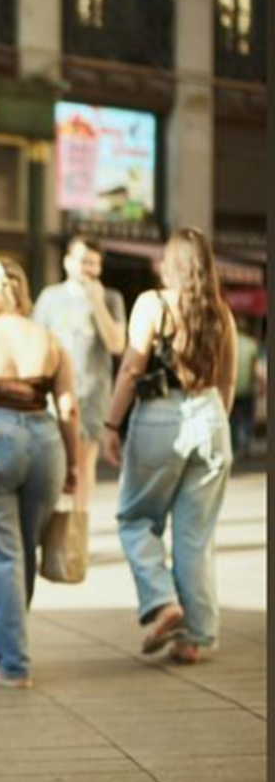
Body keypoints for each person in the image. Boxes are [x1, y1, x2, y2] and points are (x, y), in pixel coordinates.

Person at [102, 227, 237, 664]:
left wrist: (110, 424)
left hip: (161, 416)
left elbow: (130, 369)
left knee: (135, 518)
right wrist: (213, 421)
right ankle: (195, 637)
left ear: (171, 262)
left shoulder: (153, 304)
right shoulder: (222, 313)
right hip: (212, 417)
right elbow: (228, 381)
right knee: (196, 536)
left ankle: (163, 602)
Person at [0, 257, 78, 689]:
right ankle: (2, 642)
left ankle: (14, 663)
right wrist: (73, 468)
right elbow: (68, 408)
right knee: (23, 551)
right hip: (45, 446)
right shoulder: (49, 339)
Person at [34, 235, 126, 511]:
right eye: (83, 260)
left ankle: (76, 536)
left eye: (94, 263)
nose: (88, 267)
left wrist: (96, 302)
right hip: (52, 399)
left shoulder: (111, 298)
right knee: (52, 465)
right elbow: (37, 343)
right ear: (67, 262)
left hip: (92, 396)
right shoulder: (50, 297)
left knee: (84, 467)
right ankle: (53, 531)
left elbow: (117, 345)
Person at [228, 318, 259, 458]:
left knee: (233, 419)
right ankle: (245, 444)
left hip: (232, 387)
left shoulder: (229, 342)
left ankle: (234, 446)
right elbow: (256, 369)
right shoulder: (252, 344)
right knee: (246, 418)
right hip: (247, 387)